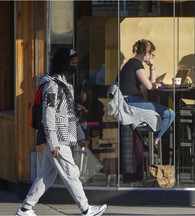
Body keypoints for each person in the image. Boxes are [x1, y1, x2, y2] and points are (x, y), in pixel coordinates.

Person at [15, 47, 107, 216]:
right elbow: (48, 116)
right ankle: (86, 210)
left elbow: (69, 114)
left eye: (76, 61)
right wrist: (53, 143)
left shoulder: (64, 85)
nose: (75, 64)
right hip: (56, 138)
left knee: (46, 177)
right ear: (63, 62)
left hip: (61, 137)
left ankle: (25, 209)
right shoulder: (52, 86)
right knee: (71, 173)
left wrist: (79, 136)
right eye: (72, 61)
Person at [118, 39, 175, 145]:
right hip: (132, 102)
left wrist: (152, 67)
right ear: (146, 53)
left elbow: (151, 83)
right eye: (151, 54)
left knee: (164, 114)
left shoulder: (131, 63)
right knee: (170, 114)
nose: (151, 57)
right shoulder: (137, 64)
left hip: (129, 101)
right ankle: (154, 141)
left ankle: (149, 139)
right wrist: (157, 85)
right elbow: (149, 86)